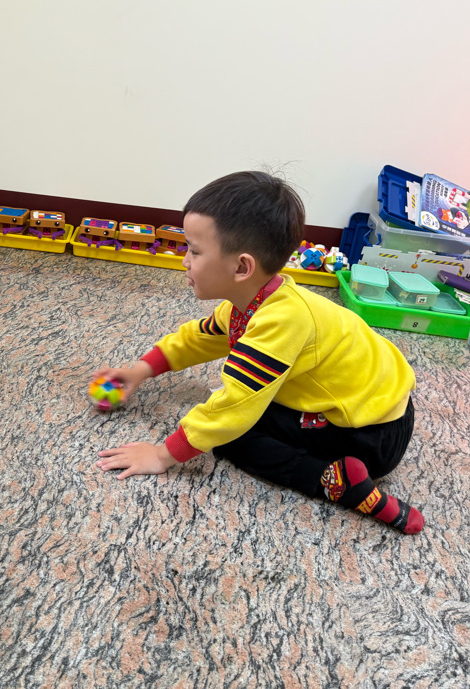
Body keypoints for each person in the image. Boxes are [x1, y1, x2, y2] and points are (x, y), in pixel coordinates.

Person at [94, 171, 424, 534]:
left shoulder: (281, 322)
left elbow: (232, 409)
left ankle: (330, 480)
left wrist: (161, 455)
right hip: (378, 408)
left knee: (232, 434)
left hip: (372, 435)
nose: (185, 260)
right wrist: (141, 370)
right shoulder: (257, 300)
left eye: (195, 251)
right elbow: (199, 338)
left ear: (242, 267)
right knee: (233, 413)